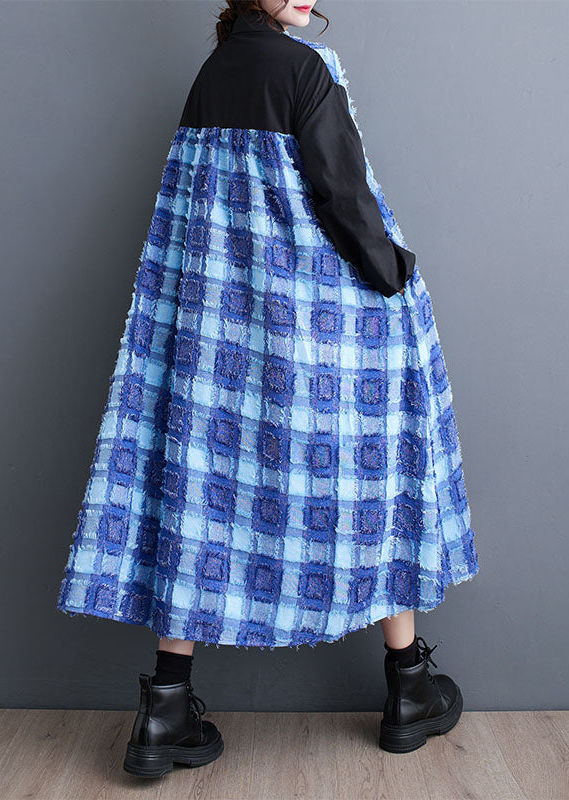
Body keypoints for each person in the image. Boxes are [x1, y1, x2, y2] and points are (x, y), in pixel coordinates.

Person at [56, 0, 480, 776]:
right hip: (315, 325)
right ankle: (409, 688)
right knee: (377, 472)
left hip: (219, 336)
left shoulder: (211, 74)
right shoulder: (304, 70)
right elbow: (344, 196)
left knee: (199, 493)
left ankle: (164, 711)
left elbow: (192, 219)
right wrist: (396, 273)